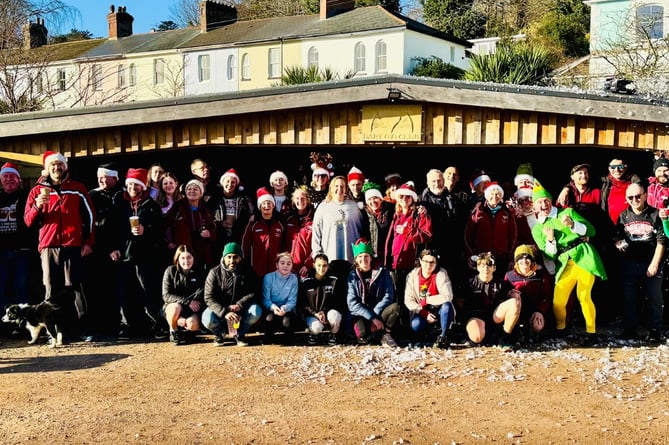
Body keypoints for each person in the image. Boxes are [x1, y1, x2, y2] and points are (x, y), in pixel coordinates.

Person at [24, 151, 95, 343]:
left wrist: (88, 242)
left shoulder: (77, 188)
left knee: (76, 288)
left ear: (66, 167)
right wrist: (37, 206)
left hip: (73, 245)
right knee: (51, 289)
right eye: (52, 165)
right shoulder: (36, 191)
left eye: (60, 164)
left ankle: (82, 330)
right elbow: (28, 221)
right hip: (49, 246)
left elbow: (89, 217)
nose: (56, 168)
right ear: (47, 168)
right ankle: (55, 332)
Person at [531, 180, 607, 346]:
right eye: (539, 202)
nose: (544, 204)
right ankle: (561, 329)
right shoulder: (538, 229)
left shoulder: (568, 212)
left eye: (546, 200)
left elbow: (592, 231)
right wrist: (550, 240)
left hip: (584, 257)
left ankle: (591, 332)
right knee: (558, 301)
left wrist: (573, 224)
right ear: (535, 206)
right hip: (565, 263)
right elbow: (550, 256)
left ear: (551, 200)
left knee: (584, 296)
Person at [110, 167, 167, 340]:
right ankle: (128, 326)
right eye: (130, 184)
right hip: (125, 256)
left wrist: (145, 230)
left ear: (143, 186)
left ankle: (157, 325)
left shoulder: (151, 206)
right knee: (125, 293)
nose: (133, 187)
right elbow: (111, 229)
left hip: (146, 256)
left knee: (149, 292)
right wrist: (113, 248)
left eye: (136, 184)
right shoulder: (119, 203)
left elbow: (159, 232)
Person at [614, 183, 665, 343]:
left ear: (644, 195)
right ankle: (630, 330)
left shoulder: (655, 214)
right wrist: (618, 243)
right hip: (630, 263)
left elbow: (662, 241)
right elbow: (617, 236)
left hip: (651, 261)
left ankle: (655, 331)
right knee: (630, 298)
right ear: (626, 199)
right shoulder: (623, 216)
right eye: (631, 197)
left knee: (654, 298)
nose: (635, 200)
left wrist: (655, 264)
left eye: (638, 196)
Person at [83, 162, 124, 339]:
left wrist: (117, 247)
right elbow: (88, 223)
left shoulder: (123, 196)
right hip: (97, 251)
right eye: (99, 176)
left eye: (104, 176)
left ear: (114, 178)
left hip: (118, 251)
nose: (101, 179)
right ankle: (94, 328)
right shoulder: (91, 195)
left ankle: (114, 327)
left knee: (114, 291)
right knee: (95, 291)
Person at [202, 242, 262, 346]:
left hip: (241, 309)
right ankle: (220, 334)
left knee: (256, 311)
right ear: (223, 257)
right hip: (221, 310)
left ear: (241, 258)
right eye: (228, 257)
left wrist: (239, 305)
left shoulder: (248, 271)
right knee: (207, 318)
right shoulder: (214, 272)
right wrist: (225, 312)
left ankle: (240, 333)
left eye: (235, 257)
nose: (232, 261)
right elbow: (208, 297)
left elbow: (254, 292)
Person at [457, 252, 521, 351]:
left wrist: (515, 295)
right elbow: (460, 303)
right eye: (482, 266)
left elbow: (513, 297)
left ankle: (505, 338)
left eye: (489, 265)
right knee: (477, 336)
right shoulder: (469, 283)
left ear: (494, 268)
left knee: (515, 302)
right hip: (475, 316)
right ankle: (474, 335)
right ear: (478, 267)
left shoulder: (501, 283)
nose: (486, 269)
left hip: (495, 316)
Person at [384, 181, 432, 304]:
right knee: (399, 298)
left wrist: (408, 231)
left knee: (414, 297)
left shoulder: (420, 214)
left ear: (413, 198)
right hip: (396, 263)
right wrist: (388, 260)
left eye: (408, 196)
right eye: (401, 196)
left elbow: (427, 236)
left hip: (413, 264)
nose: (404, 199)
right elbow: (391, 239)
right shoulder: (397, 215)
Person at [420, 167, 469, 287]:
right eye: (433, 181)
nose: (437, 184)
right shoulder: (421, 201)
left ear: (443, 181)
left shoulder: (454, 200)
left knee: (451, 280)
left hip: (452, 248)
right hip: (430, 248)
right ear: (427, 183)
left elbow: (462, 223)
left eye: (439, 180)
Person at [347, 238, 400, 347]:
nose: (363, 259)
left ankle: (386, 333)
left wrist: (375, 316)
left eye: (366, 256)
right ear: (356, 260)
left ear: (371, 258)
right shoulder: (352, 276)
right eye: (360, 257)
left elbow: (388, 295)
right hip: (362, 313)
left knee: (395, 308)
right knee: (362, 333)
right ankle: (374, 334)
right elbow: (352, 303)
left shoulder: (383, 272)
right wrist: (372, 318)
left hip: (379, 311)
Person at [403, 248, 455, 349]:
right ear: (420, 261)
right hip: (422, 311)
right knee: (415, 325)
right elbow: (408, 300)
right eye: (426, 261)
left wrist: (427, 300)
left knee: (447, 306)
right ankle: (425, 335)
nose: (429, 265)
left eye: (432, 262)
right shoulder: (412, 276)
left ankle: (443, 336)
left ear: (436, 263)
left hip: (439, 309)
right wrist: (424, 313)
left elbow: (448, 296)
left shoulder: (441, 274)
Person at [465, 181, 517, 275]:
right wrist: (471, 255)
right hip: (482, 258)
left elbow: (513, 236)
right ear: (486, 195)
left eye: (498, 194)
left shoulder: (507, 213)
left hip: (502, 258)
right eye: (491, 194)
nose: (494, 196)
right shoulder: (478, 211)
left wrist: (511, 258)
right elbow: (468, 235)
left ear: (501, 196)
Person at [311, 175, 363, 271]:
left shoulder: (353, 207)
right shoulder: (323, 207)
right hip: (329, 258)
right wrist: (317, 254)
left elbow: (360, 230)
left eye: (342, 186)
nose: (339, 189)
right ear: (331, 188)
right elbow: (316, 232)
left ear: (346, 189)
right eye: (336, 186)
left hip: (350, 259)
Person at [503, 245, 553, 343]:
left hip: (534, 309)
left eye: (527, 259)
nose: (524, 262)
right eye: (520, 259)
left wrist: (540, 311)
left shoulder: (540, 275)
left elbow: (547, 297)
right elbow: (503, 295)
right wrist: (509, 294)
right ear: (516, 262)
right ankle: (513, 332)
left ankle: (534, 333)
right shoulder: (509, 276)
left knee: (538, 325)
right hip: (517, 310)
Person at [0, 162, 33, 311]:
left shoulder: (27, 196)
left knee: (22, 286)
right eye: (5, 176)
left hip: (22, 250)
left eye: (12, 176)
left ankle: (23, 323)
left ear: (19, 179)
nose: (8, 179)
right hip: (1, 250)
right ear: (1, 180)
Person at [165, 179, 218, 268]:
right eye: (189, 189)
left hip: (202, 252)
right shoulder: (178, 207)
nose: (192, 191)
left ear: (201, 193)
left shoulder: (205, 208)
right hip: (183, 252)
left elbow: (214, 228)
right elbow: (165, 225)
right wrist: (168, 242)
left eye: (195, 189)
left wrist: (210, 234)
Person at [162, 245, 205, 345]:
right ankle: (174, 331)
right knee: (175, 308)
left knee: (192, 324)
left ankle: (188, 334)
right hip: (174, 306)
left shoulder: (200, 272)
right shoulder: (170, 271)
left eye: (189, 257)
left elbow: (201, 292)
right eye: (183, 258)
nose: (186, 261)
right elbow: (166, 295)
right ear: (177, 259)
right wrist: (187, 301)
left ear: (194, 258)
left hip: (191, 309)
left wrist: (187, 312)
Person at [298, 253, 342, 345]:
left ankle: (333, 334)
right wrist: (315, 313)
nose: (322, 268)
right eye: (319, 265)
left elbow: (337, 301)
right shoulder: (306, 282)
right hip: (312, 314)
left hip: (327, 313)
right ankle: (314, 334)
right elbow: (303, 303)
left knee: (335, 316)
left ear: (328, 266)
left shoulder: (333, 280)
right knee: (316, 327)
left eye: (324, 265)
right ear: (314, 265)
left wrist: (324, 312)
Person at [242, 187, 285, 279]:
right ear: (260, 207)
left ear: (273, 206)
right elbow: (245, 244)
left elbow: (283, 246)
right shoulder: (253, 224)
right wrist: (245, 264)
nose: (266, 206)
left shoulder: (279, 225)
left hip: (275, 270)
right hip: (257, 270)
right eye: (264, 204)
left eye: (269, 203)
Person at [212, 168, 253, 254]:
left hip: (237, 236)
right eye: (227, 181)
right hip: (219, 236)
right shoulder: (214, 199)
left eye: (233, 182)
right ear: (222, 182)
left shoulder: (243, 199)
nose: (230, 184)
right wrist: (220, 223)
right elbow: (208, 216)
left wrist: (236, 223)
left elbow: (249, 216)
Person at [262, 252, 299, 345]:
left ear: (292, 266)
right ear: (276, 265)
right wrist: (273, 307)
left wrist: (285, 308)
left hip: (286, 309)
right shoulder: (268, 278)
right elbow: (266, 299)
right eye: (282, 263)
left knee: (287, 321)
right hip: (272, 308)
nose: (285, 266)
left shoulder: (294, 279)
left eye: (288, 264)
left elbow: (292, 300)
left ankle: (288, 341)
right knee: (269, 319)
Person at [283, 187, 315, 276]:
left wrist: (308, 264)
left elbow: (317, 245)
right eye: (297, 198)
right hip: (287, 267)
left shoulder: (314, 221)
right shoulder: (288, 219)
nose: (300, 201)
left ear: (307, 200)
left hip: (304, 268)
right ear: (293, 201)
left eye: (303, 198)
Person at [360, 181, 394, 262]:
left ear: (381, 199)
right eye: (369, 199)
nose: (373, 201)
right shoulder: (364, 214)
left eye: (375, 198)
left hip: (389, 253)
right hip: (371, 254)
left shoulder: (391, 210)